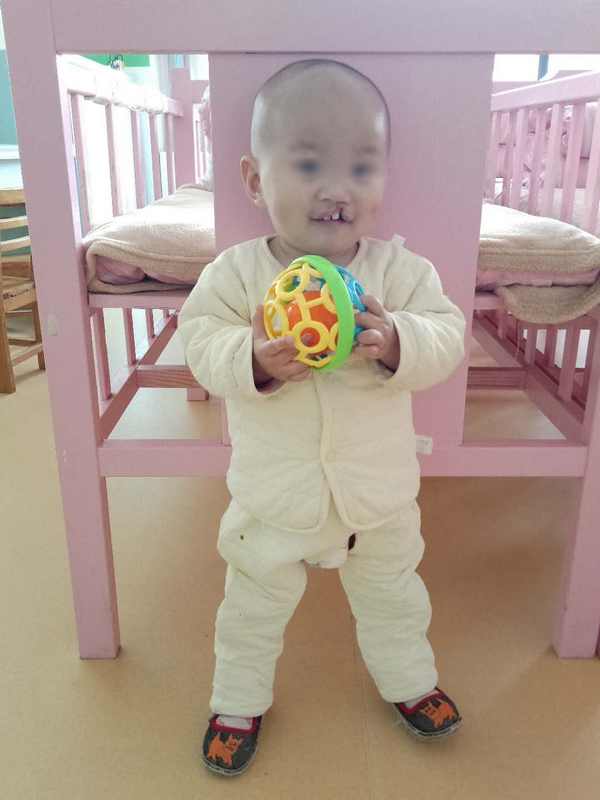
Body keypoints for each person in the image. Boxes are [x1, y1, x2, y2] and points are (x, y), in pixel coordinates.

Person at [178, 59, 466, 778]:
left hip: (378, 498)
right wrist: (251, 360)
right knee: (252, 607)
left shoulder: (399, 273)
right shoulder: (237, 274)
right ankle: (237, 701)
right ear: (254, 180)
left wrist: (398, 340)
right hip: (273, 500)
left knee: (396, 598)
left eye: (361, 169)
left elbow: (447, 334)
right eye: (308, 165)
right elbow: (199, 341)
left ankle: (410, 681)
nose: (337, 189)